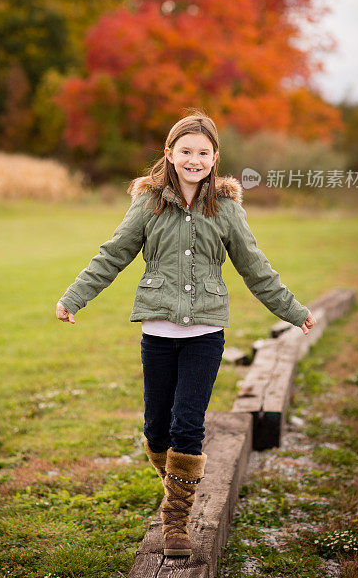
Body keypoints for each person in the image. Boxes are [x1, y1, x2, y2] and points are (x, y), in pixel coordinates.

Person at [56, 111, 316, 558]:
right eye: (186, 151)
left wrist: (293, 310)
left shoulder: (227, 209)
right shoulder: (147, 204)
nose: (194, 160)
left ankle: (176, 520)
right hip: (157, 332)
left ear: (215, 157)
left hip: (206, 333)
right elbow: (112, 255)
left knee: (187, 424)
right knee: (157, 429)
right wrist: (73, 297)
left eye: (203, 152)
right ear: (170, 154)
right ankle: (176, 482)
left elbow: (256, 268)